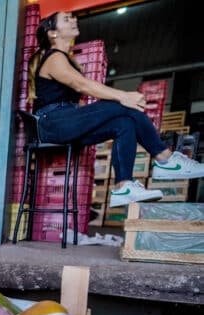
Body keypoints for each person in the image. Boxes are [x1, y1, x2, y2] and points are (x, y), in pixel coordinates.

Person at [28, 12, 204, 208]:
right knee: (122, 105)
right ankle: (165, 159)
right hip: (51, 123)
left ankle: (124, 186)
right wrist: (123, 96)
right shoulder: (53, 57)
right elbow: (81, 85)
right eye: (67, 19)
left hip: (65, 122)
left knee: (124, 123)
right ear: (53, 33)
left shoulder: (66, 60)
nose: (74, 20)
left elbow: (79, 96)